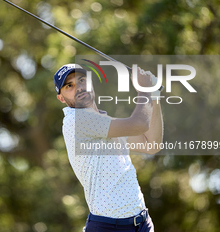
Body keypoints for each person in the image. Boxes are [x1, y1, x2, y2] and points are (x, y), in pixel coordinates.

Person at [54, 63, 163, 232]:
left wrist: (154, 97)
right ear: (61, 98)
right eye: (69, 86)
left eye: (82, 80)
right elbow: (139, 124)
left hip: (142, 223)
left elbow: (152, 144)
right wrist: (144, 89)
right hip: (108, 227)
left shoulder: (106, 122)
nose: (79, 88)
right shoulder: (75, 121)